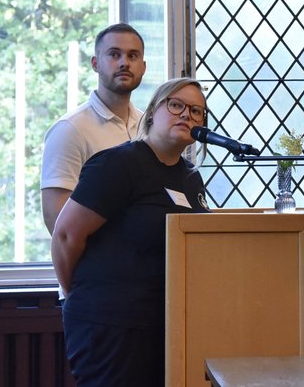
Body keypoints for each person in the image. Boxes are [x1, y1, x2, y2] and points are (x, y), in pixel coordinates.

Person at [51, 77, 211, 386]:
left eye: (196, 111)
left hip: (166, 324)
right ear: (152, 112)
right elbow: (66, 236)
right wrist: (79, 294)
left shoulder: (190, 178)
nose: (186, 115)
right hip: (111, 323)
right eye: (175, 105)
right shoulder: (119, 164)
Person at [41, 23, 148, 234]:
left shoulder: (149, 126)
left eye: (132, 56)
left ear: (143, 67)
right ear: (95, 63)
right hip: (97, 255)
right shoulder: (70, 129)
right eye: (114, 54)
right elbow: (56, 219)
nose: (124, 63)